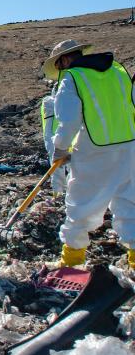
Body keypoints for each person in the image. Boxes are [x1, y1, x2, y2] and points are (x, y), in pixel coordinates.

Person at [42, 40, 135, 268]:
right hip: (128, 147)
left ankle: (72, 261)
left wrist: (60, 150)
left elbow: (68, 121)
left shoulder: (72, 78)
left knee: (80, 205)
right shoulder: (119, 71)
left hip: (94, 151)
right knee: (129, 205)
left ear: (63, 61)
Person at [40, 81, 70, 194]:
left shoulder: (53, 102)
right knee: (58, 169)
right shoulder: (48, 102)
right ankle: (58, 193)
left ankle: (68, 192)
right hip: (53, 138)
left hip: (63, 137)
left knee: (71, 167)